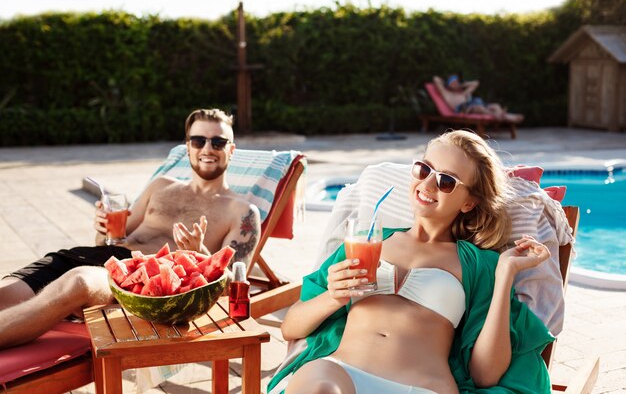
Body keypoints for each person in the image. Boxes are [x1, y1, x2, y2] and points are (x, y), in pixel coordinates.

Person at [269, 130, 553, 394]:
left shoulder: (480, 265)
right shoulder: (365, 243)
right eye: (424, 169)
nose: (428, 184)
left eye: (446, 181)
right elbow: (290, 328)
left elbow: (485, 375)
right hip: (340, 374)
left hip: (422, 387)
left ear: (468, 203)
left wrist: (504, 277)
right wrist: (333, 297)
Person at [0, 108, 261, 349]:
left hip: (134, 280)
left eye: (218, 142)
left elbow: (234, 285)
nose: (207, 148)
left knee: (78, 282)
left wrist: (201, 254)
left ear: (232, 149)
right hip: (88, 257)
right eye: (198, 140)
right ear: (187, 146)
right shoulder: (161, 186)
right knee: (5, 294)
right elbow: (111, 240)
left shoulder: (242, 212)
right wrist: (103, 228)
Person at [433, 75, 523, 123]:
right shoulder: (447, 94)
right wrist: (446, 84)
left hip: (475, 103)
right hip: (464, 109)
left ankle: (500, 115)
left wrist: (462, 84)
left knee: (496, 105)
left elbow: (476, 83)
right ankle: (506, 116)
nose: (455, 84)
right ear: (448, 84)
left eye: (457, 82)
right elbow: (436, 79)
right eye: (453, 83)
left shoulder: (463, 93)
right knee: (480, 108)